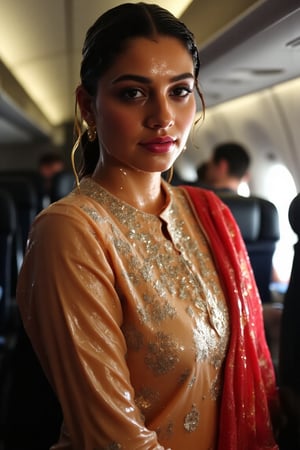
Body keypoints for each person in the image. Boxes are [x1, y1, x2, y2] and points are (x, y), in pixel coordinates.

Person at [16, 3, 280, 449]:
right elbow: (112, 440)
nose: (163, 116)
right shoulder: (71, 232)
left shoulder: (206, 210)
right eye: (134, 93)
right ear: (88, 106)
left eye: (179, 91)